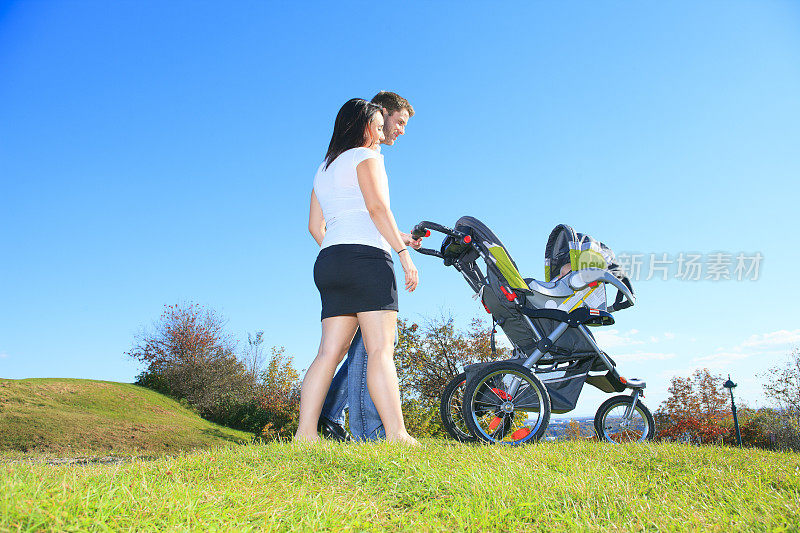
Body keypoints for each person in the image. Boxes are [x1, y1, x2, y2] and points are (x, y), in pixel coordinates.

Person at [295, 97, 420, 445]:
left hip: (330, 260)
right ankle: (397, 434)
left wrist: (342, 249)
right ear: (365, 126)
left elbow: (314, 226)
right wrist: (403, 255)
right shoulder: (367, 157)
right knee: (380, 351)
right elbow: (377, 207)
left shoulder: (324, 168)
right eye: (378, 128)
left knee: (327, 354)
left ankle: (304, 435)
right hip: (367, 261)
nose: (381, 136)